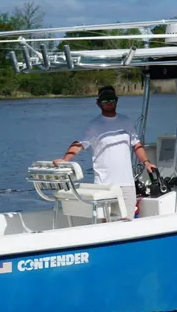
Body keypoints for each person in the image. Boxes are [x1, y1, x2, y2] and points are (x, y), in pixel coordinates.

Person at [54, 85, 156, 220]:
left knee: (128, 220)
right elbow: (79, 144)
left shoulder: (127, 121)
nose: (108, 102)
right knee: (106, 221)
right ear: (98, 103)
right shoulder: (93, 125)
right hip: (104, 184)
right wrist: (65, 159)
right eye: (104, 100)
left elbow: (136, 145)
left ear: (117, 100)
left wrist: (146, 162)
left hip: (127, 183)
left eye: (111, 99)